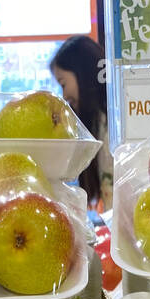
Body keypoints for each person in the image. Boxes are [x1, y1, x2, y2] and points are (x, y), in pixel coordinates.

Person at [51, 35, 113, 211]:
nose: (64, 96)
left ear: (82, 74)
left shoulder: (110, 127)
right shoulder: (100, 123)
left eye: (63, 84)